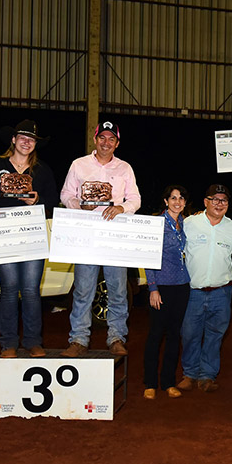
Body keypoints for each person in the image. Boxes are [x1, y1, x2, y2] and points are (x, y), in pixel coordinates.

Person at [0, 120, 59, 359]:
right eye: (22, 137)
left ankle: (33, 341)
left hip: (32, 234)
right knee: (10, 289)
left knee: (32, 290)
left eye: (31, 139)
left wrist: (38, 200)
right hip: (4, 234)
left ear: (35, 144)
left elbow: (53, 201)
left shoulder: (42, 170)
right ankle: (9, 343)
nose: (26, 142)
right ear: (13, 140)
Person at [60, 119, 141, 358]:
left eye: (111, 139)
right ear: (95, 139)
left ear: (117, 143)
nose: (106, 142)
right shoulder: (79, 164)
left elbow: (135, 199)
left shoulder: (124, 168)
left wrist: (122, 208)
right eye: (102, 137)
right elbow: (66, 194)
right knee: (83, 290)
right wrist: (78, 205)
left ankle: (116, 337)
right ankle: (78, 339)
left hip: (114, 236)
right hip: (86, 234)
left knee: (117, 290)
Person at [178, 184, 232, 393]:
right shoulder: (189, 224)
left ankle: (207, 375)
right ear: (205, 202)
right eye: (215, 199)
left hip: (221, 292)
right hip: (192, 292)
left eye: (224, 200)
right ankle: (189, 373)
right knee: (189, 333)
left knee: (215, 334)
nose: (219, 204)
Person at [142, 185, 191, 400]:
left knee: (174, 335)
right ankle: (150, 383)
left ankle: (168, 382)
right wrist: (152, 288)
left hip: (182, 286)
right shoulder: (157, 224)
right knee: (155, 335)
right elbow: (148, 257)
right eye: (173, 198)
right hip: (160, 287)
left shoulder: (184, 224)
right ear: (165, 201)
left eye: (181, 198)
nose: (177, 202)